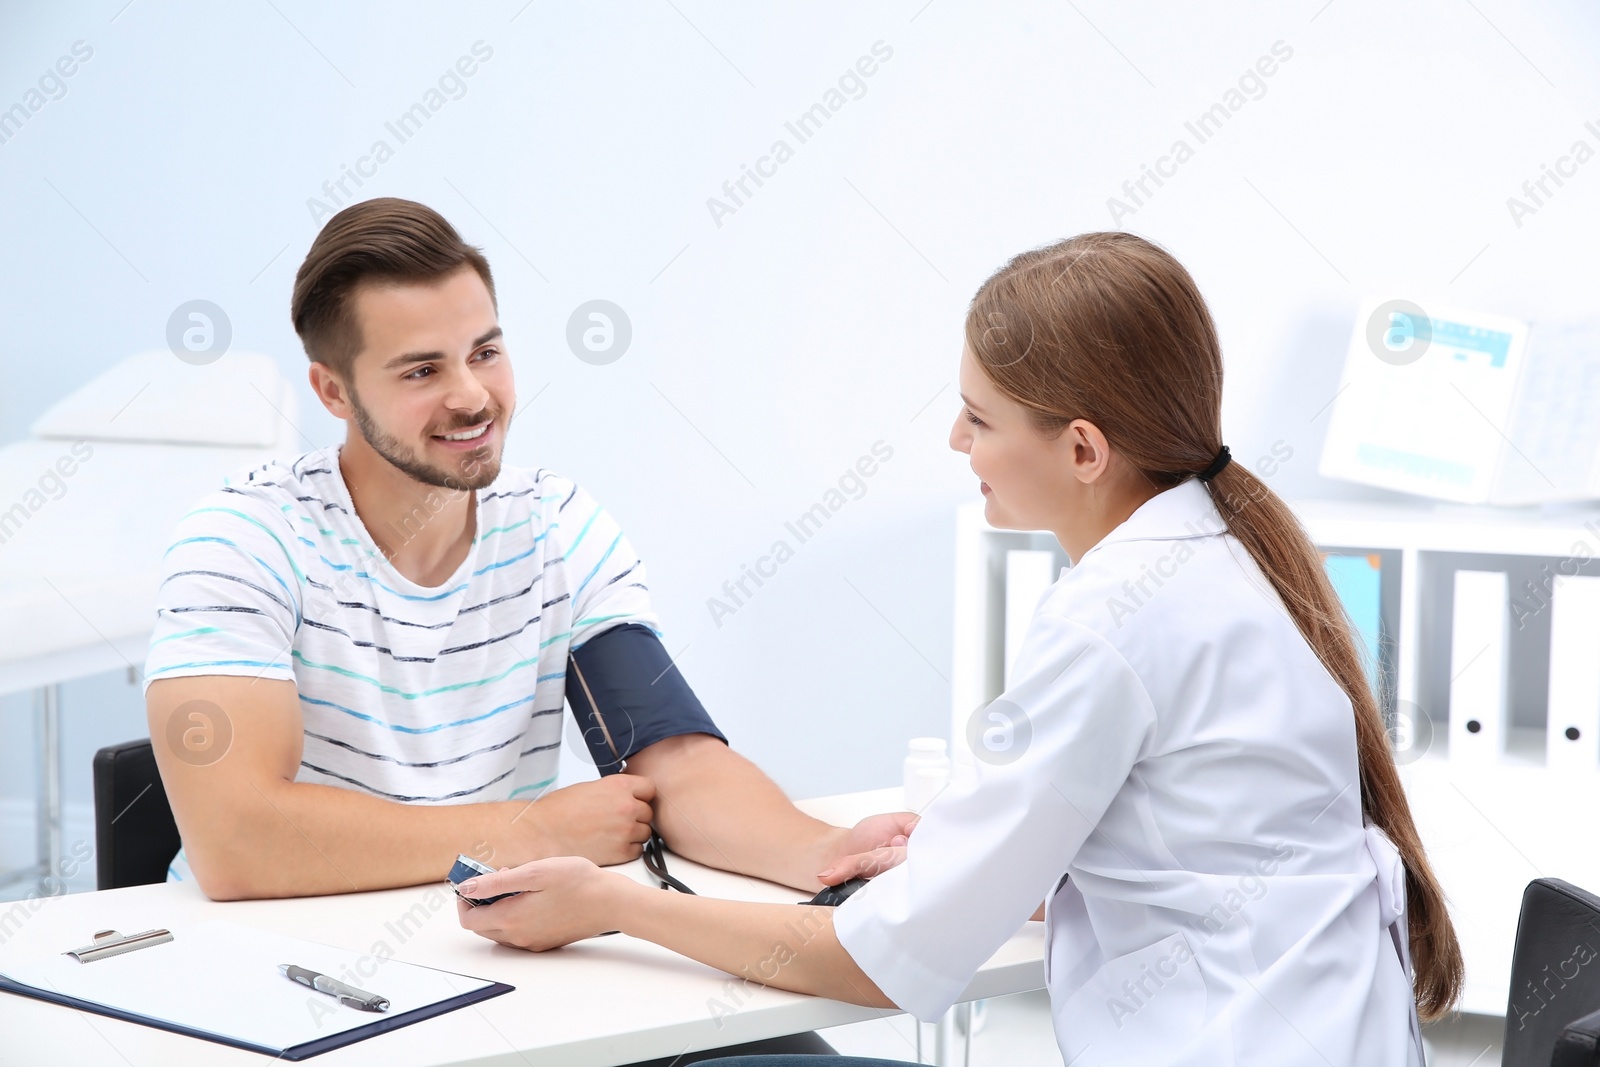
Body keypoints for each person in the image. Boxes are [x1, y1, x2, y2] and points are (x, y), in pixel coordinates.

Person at [451, 231, 1463, 1066]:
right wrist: (1005, 859)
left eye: (978, 417)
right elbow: (1200, 833)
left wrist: (613, 907)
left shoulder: (1113, 613)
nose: (954, 440)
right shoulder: (1228, 551)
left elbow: (881, 964)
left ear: (1080, 448)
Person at [143, 198, 909, 915]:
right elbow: (238, 844)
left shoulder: (558, 526)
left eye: (485, 351)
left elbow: (673, 763)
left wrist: (823, 850)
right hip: (277, 966)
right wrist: (529, 831)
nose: (473, 396)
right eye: (422, 370)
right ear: (333, 392)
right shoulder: (243, 541)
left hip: (498, 945)